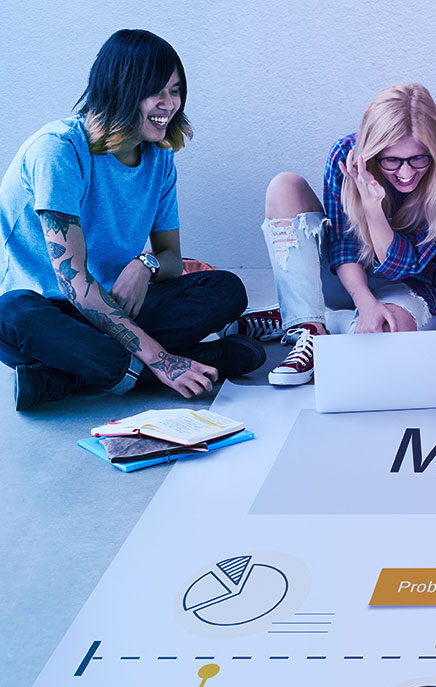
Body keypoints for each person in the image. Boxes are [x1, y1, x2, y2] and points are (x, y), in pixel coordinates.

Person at [0, 29, 262, 411]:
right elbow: (74, 287)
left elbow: (171, 257)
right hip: (47, 314)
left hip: (113, 307)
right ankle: (183, 365)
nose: (169, 103)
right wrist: (161, 359)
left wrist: (146, 265)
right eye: (155, 90)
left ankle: (68, 376)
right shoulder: (57, 150)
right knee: (12, 313)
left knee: (225, 289)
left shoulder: (160, 160)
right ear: (119, 90)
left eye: (175, 90)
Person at [229, 83, 436, 385]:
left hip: (414, 285)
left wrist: (373, 209)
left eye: (419, 158)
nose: (406, 173)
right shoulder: (345, 155)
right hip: (346, 276)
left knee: (384, 342)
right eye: (392, 160)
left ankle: (301, 315)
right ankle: (309, 328)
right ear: (373, 150)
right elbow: (343, 245)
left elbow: (405, 265)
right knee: (285, 186)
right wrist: (365, 301)